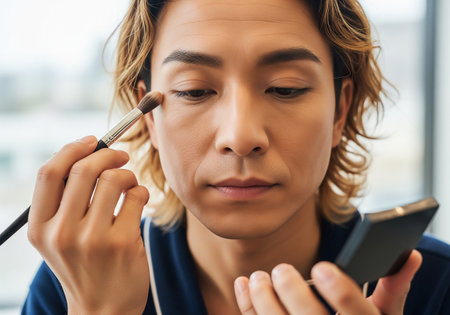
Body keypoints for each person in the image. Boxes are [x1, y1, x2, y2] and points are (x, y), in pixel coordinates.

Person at [22, 0, 450, 314]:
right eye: (193, 91)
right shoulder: (75, 283)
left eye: (286, 88)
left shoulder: (434, 286)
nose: (241, 137)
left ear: (340, 111)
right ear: (149, 118)